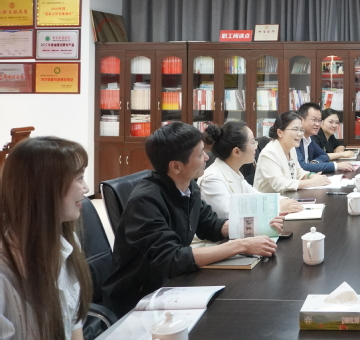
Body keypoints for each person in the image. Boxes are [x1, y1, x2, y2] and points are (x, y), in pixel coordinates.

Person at [102, 122, 283, 317]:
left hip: (173, 282)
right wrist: (241, 245)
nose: (207, 157)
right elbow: (172, 258)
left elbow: (211, 225)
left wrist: (258, 226)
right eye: (200, 154)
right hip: (139, 297)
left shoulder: (189, 187)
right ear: (176, 166)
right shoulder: (145, 201)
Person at [0, 137, 92, 340]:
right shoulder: (4, 273)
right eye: (79, 178)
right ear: (45, 188)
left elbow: (73, 323)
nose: (86, 188)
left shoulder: (67, 242)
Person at [198, 122, 304, 218]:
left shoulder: (234, 172)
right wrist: (277, 206)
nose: (256, 147)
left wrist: (284, 201)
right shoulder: (211, 179)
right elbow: (229, 213)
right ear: (237, 152)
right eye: (253, 143)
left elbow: (256, 196)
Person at [254, 111, 332, 193]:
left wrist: (312, 176)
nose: (300, 134)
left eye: (301, 130)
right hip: (270, 199)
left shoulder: (291, 148)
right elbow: (280, 185)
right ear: (280, 132)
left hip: (287, 196)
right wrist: (312, 182)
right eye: (295, 129)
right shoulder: (269, 153)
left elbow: (298, 172)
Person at [295, 103, 353, 173]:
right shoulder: (295, 139)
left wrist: (315, 162)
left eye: (319, 120)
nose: (318, 124)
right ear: (301, 120)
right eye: (314, 120)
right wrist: (336, 166)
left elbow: (324, 155)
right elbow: (302, 167)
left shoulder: (309, 139)